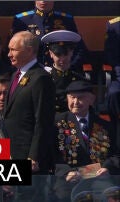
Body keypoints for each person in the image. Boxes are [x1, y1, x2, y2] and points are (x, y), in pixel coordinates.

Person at [3, 31, 55, 201]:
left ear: (30, 50)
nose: (9, 54)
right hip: (12, 152)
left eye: (14, 50)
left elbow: (43, 121)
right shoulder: (16, 75)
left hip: (28, 157)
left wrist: (34, 155)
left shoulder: (40, 78)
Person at [52, 80, 120, 202]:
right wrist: (66, 171)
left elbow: (116, 154)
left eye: (81, 98)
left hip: (99, 177)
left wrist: (107, 167)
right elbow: (50, 154)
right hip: (69, 178)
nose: (75, 102)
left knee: (112, 194)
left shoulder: (105, 125)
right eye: (72, 98)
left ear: (92, 99)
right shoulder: (57, 123)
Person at [11, 1, 88, 70]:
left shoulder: (66, 19)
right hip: (32, 72)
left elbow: (80, 49)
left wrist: (67, 67)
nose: (43, 1)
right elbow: (13, 50)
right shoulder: (22, 20)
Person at [41, 30, 86, 113]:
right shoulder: (43, 78)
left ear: (71, 53)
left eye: (65, 54)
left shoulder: (79, 79)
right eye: (58, 55)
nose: (62, 59)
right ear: (51, 54)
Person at [104, 16, 120, 151]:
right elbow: (110, 56)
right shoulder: (114, 25)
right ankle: (114, 138)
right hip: (119, 75)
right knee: (113, 93)